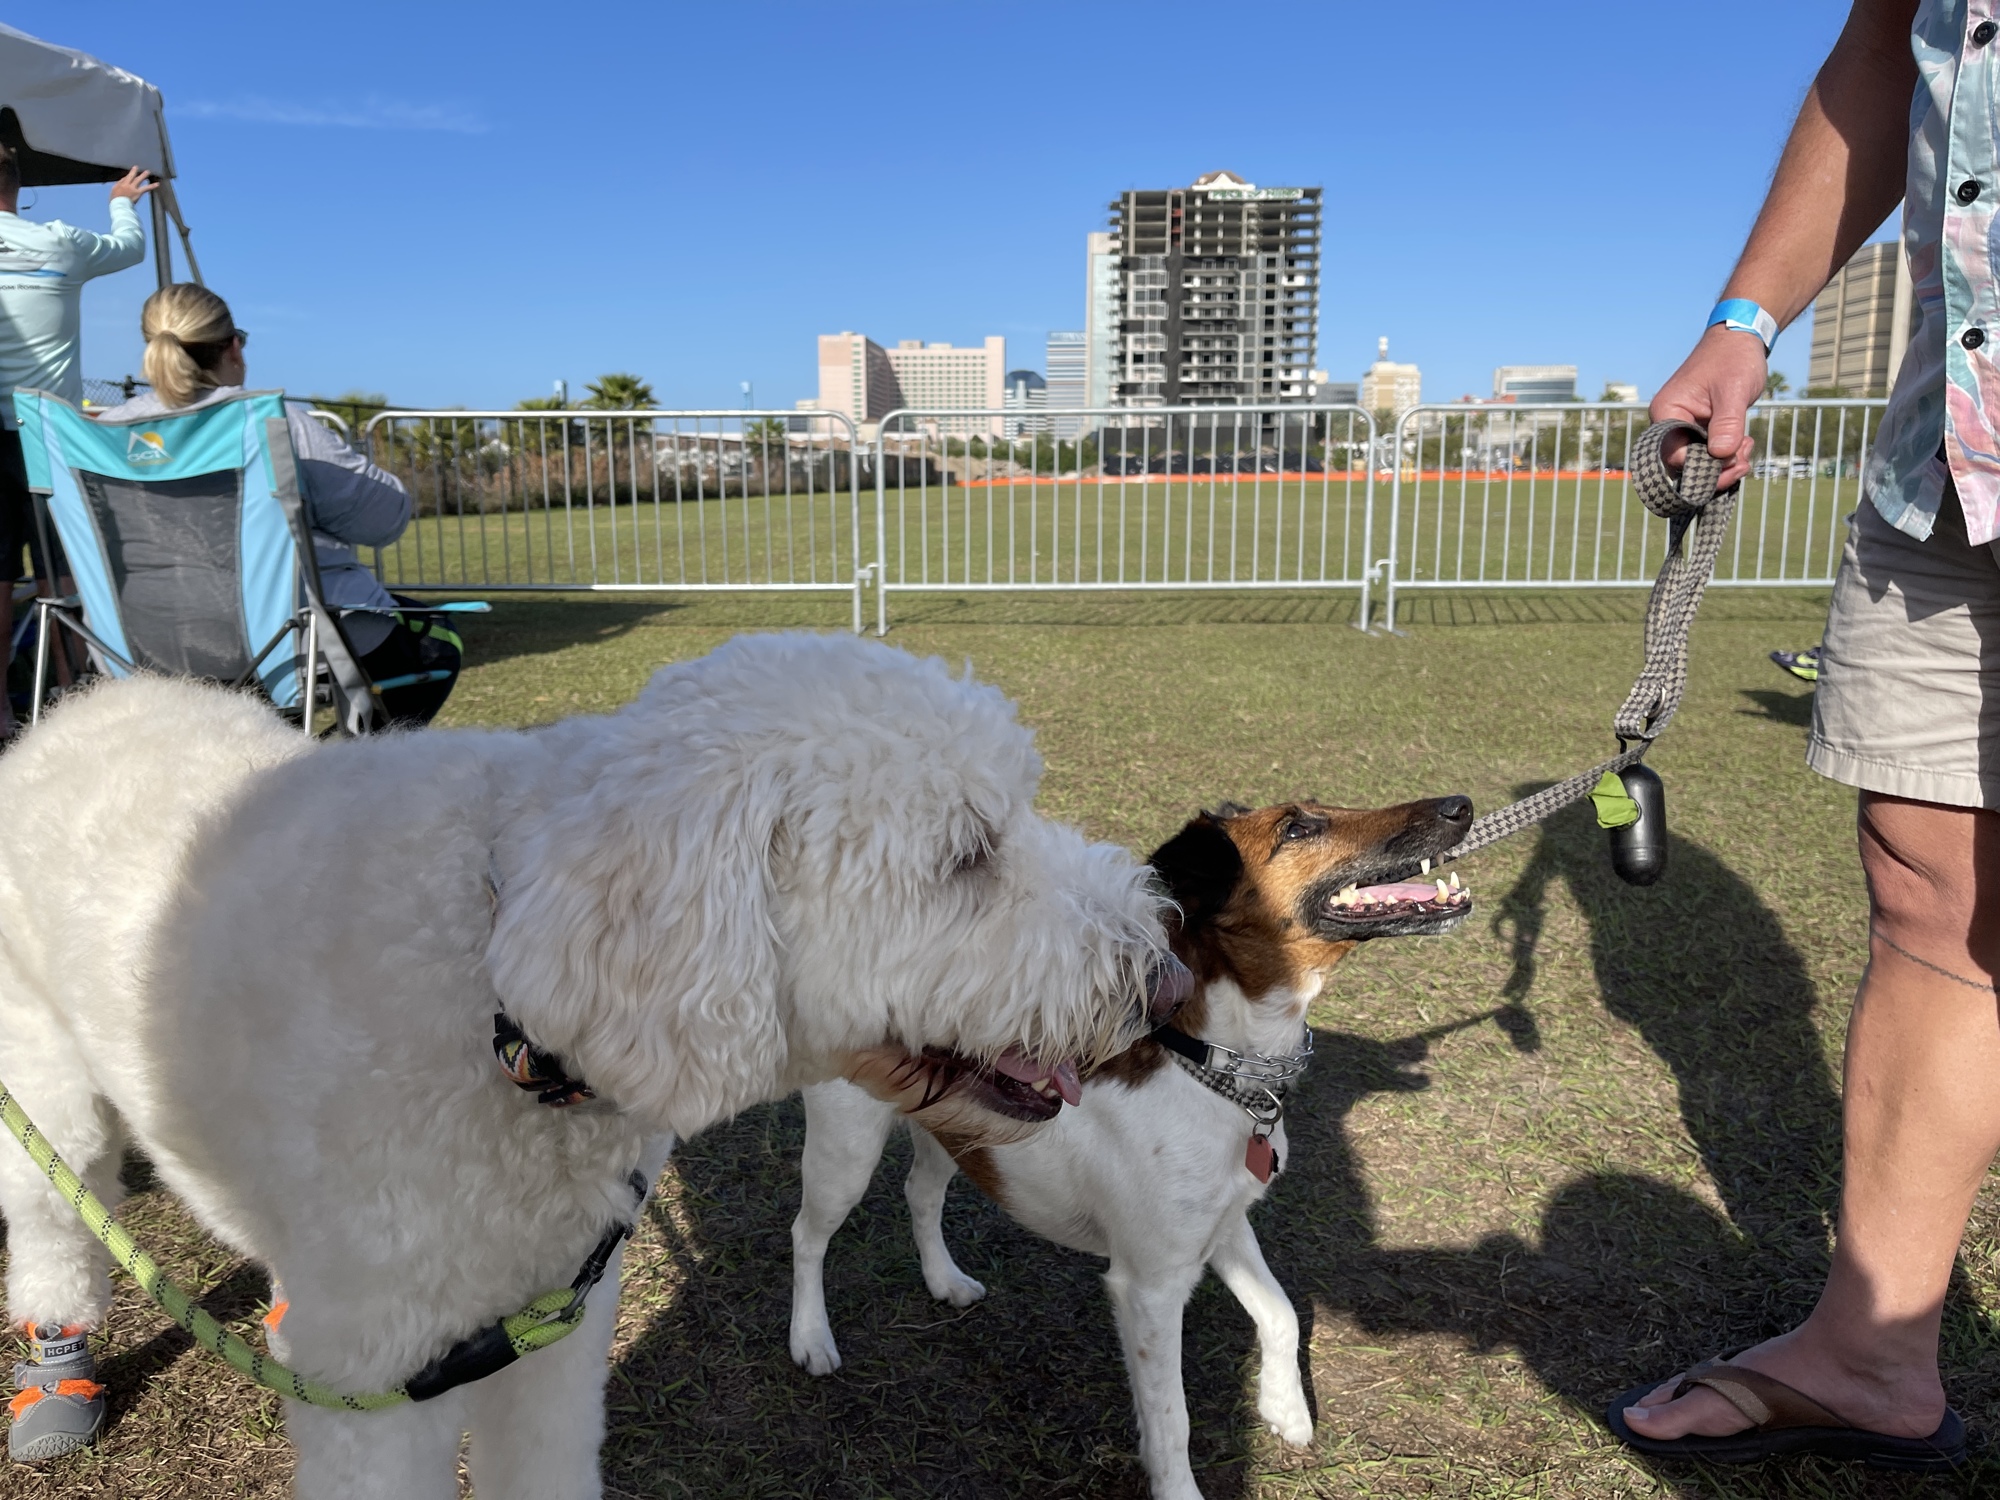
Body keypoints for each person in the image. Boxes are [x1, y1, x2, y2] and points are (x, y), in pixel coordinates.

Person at [1609, 0, 1997, 1470]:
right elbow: (1887, 52)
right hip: (1950, 448)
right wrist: (1740, 326)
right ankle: (1873, 1353)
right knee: (1929, 889)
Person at [92, 284, 460, 726]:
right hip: (281, 645)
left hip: (142, 647)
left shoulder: (96, 437)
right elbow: (383, 519)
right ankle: (364, 778)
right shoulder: (271, 424)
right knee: (436, 638)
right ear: (233, 348)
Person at [0, 147, 153, 738]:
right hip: (45, 435)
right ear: (19, 186)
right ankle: (70, 700)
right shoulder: (61, 242)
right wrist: (120, 205)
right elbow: (131, 249)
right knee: (58, 575)